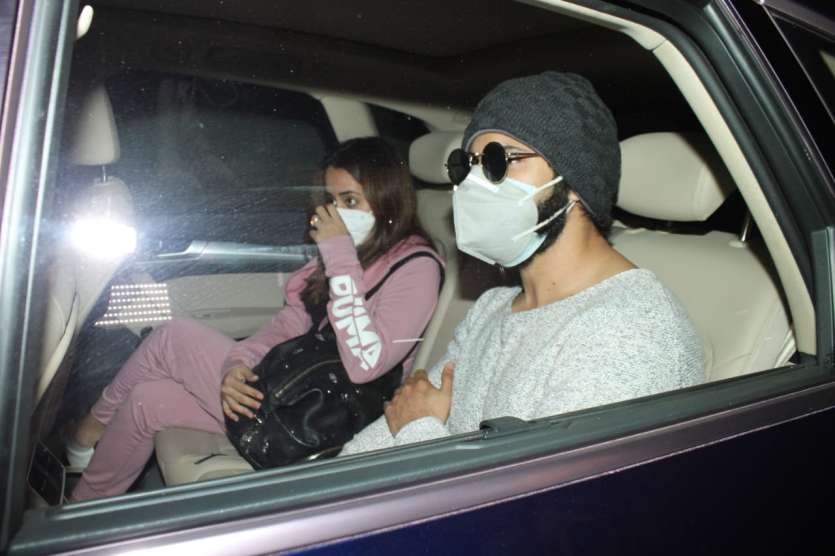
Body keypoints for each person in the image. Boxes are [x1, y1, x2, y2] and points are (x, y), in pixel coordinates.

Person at [341, 71, 704, 455]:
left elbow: (543, 508)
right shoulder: (492, 307)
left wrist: (419, 428)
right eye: (467, 167)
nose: (474, 186)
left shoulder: (631, 330)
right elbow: (386, 433)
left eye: (499, 161)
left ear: (575, 181)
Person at [68, 137, 443, 501]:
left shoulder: (415, 266)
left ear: (386, 199)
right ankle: (79, 516)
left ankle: (87, 432)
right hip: (293, 394)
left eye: (350, 201)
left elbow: (366, 364)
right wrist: (237, 366)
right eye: (330, 200)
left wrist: (338, 254)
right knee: (147, 400)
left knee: (172, 335)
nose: (335, 213)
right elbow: (287, 327)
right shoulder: (348, 255)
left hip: (329, 420)